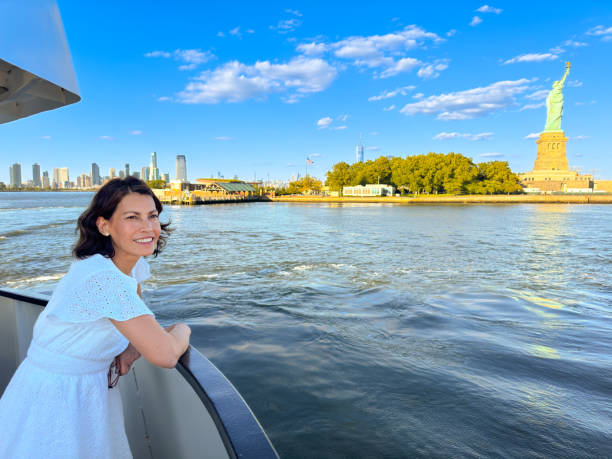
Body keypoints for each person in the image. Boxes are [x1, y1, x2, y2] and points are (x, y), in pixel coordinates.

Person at [0, 177, 191, 458]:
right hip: (58, 396)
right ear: (104, 225)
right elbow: (165, 355)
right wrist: (183, 329)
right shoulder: (103, 278)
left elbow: (130, 314)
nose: (147, 227)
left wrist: (132, 346)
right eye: (131, 217)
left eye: (152, 216)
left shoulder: (122, 266)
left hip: (85, 388)